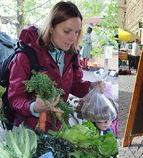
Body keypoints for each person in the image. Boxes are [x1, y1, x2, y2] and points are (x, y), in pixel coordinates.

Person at [7, 1, 103, 131]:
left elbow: (75, 84)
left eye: (76, 32)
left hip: (58, 126)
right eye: (67, 31)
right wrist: (34, 107)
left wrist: (91, 87)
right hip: (29, 130)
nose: (72, 38)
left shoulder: (72, 54)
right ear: (51, 28)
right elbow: (14, 98)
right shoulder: (26, 55)